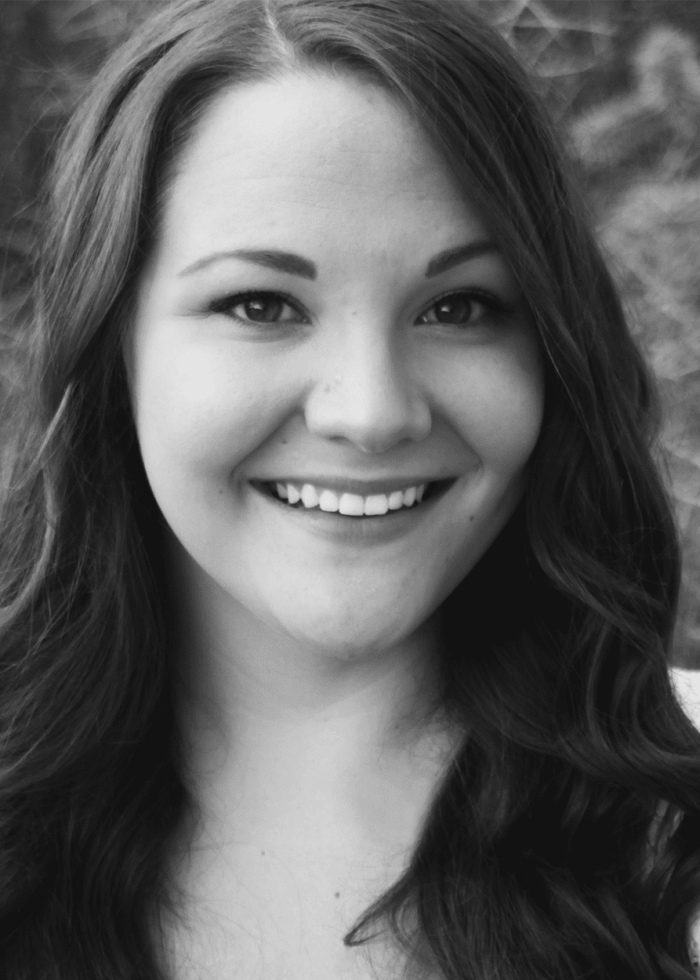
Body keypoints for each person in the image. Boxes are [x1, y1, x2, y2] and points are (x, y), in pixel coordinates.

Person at [0, 0, 699, 977]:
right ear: (115, 343)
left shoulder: (678, 835)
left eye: (461, 306)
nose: (371, 411)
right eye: (261, 303)